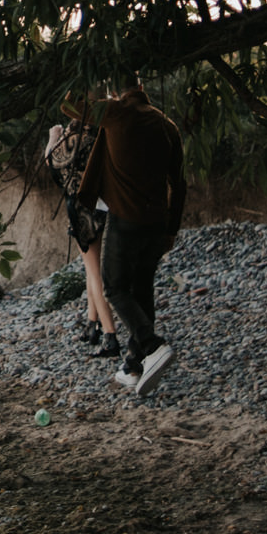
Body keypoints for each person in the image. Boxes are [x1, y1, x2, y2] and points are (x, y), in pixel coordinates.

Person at [70, 76, 188, 395]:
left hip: (126, 221)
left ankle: (152, 346)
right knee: (141, 289)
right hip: (158, 223)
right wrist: (172, 229)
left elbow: (68, 104)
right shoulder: (168, 126)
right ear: (141, 87)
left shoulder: (116, 113)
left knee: (116, 287)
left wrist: (84, 72)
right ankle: (134, 365)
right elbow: (179, 185)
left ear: (120, 91)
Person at [45, 119, 119, 357]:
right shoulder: (104, 132)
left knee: (94, 271)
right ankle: (92, 324)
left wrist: (53, 138)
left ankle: (110, 336)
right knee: (92, 268)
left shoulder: (75, 136)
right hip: (105, 205)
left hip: (81, 208)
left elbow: (54, 166)